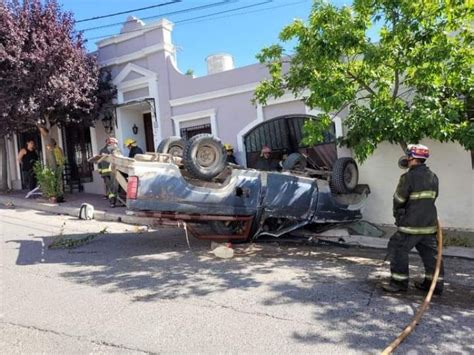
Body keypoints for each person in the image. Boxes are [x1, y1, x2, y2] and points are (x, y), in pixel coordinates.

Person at [383, 144, 444, 295]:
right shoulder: (433, 176)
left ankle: (398, 283)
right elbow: (433, 197)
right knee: (431, 255)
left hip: (411, 224)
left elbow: (399, 199)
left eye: (409, 156)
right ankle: (434, 285)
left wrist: (398, 215)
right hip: (429, 224)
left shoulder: (408, 177)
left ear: (411, 158)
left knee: (397, 248)